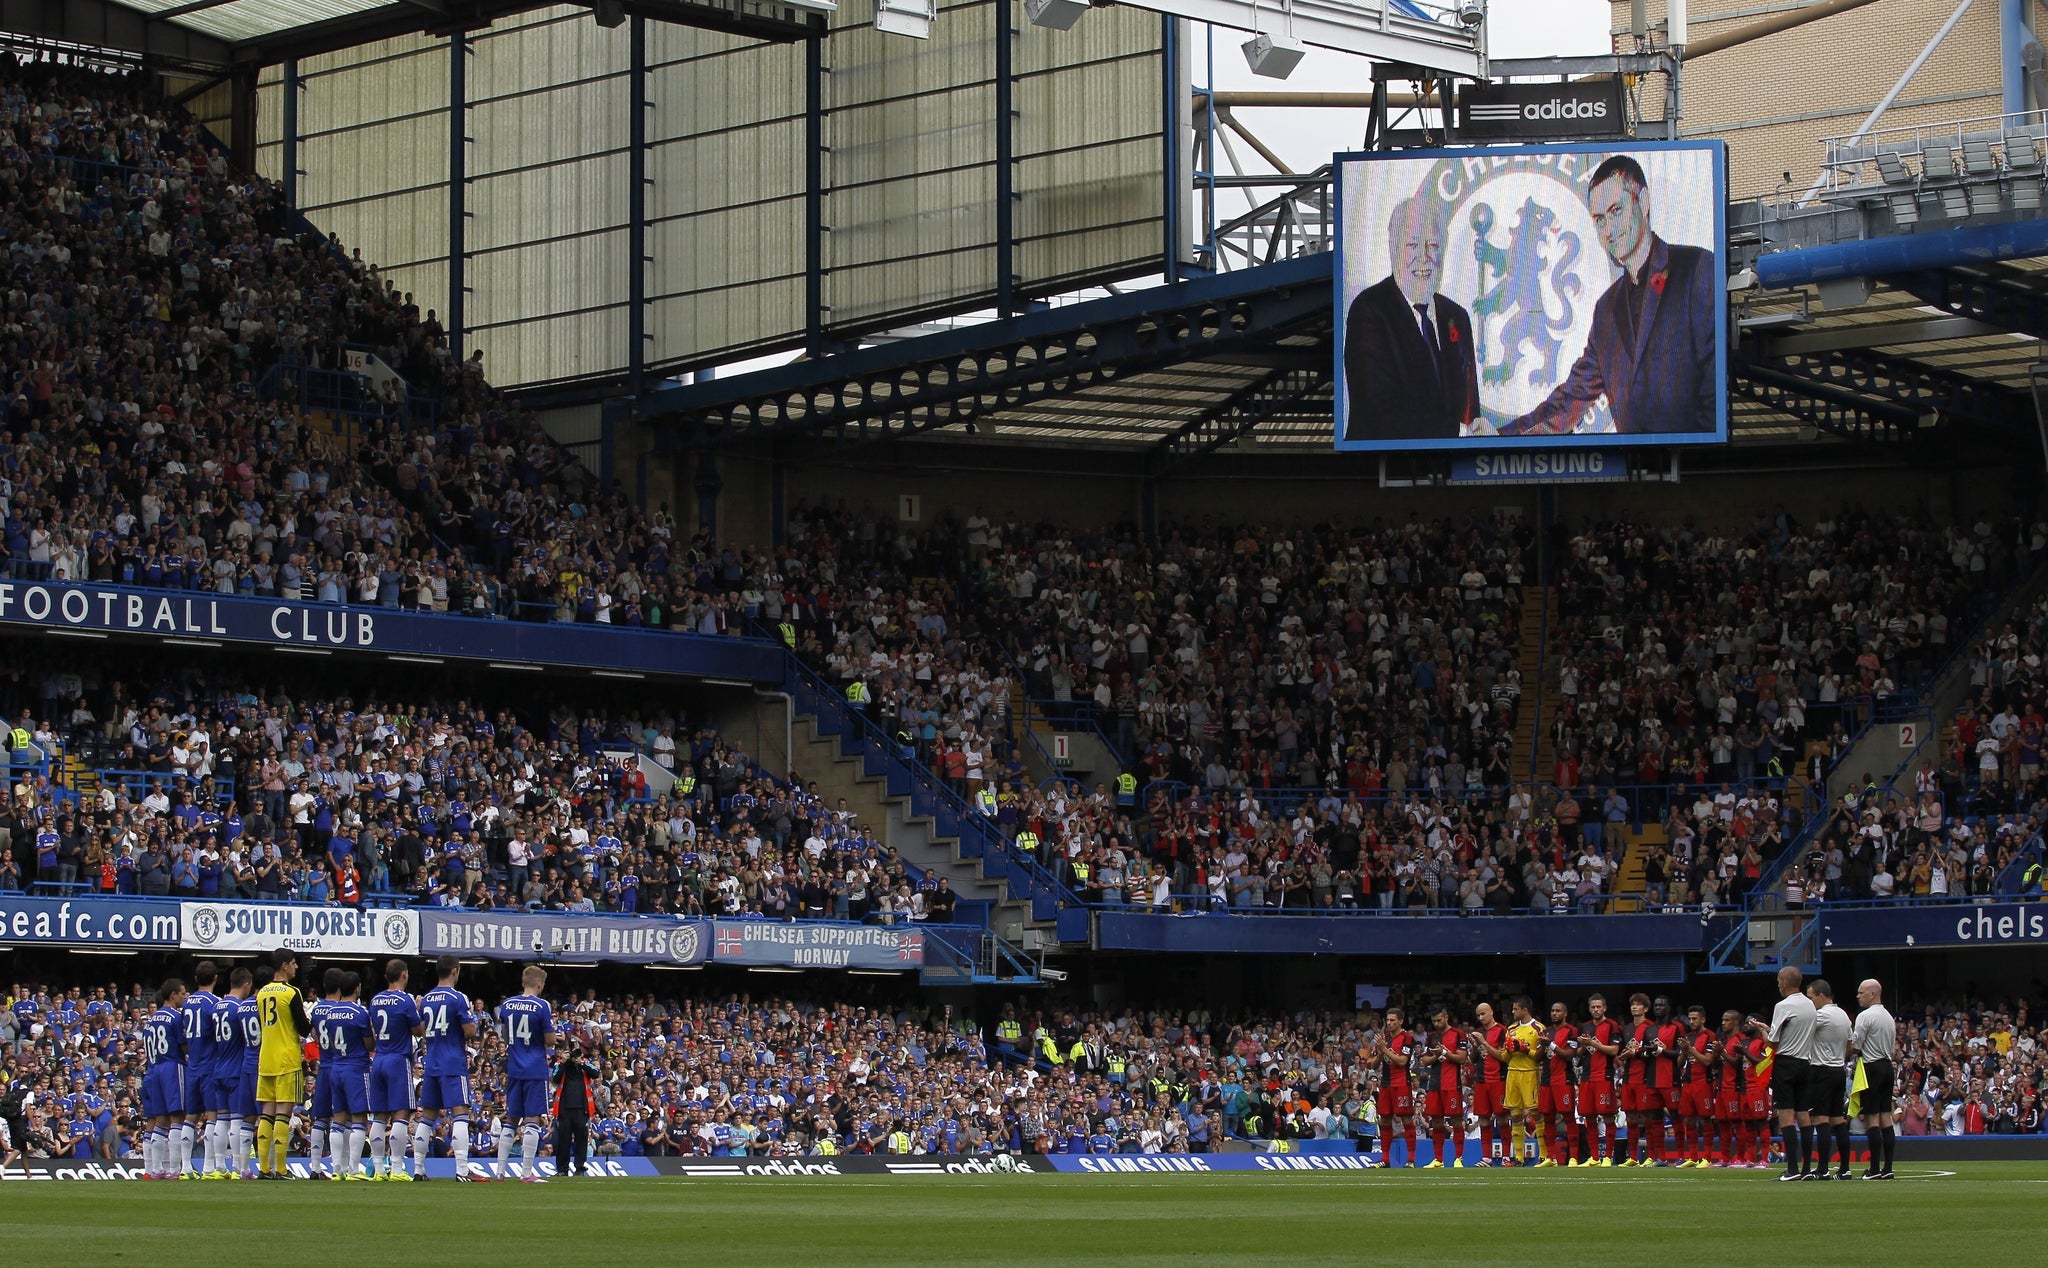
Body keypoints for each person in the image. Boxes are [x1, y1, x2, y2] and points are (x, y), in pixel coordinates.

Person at [1491, 154, 1717, 437]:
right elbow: (1569, 401)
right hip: (1634, 471)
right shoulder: (1606, 308)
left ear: (1643, 202)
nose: (1608, 229)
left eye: (1616, 211)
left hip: (1693, 467)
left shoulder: (1697, 269)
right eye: (1599, 219)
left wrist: (1698, 460)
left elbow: (1716, 384)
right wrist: (1498, 436)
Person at [1341, 194, 1481, 442]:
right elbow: (1380, 412)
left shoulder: (1456, 317)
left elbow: (1470, 409)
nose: (1424, 256)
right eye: (1412, 245)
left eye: (1433, 245)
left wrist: (1478, 433)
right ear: (1392, 248)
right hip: (1374, 472)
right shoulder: (1369, 310)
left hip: (1453, 470)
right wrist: (1460, 432)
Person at [420, 955, 488, 1182]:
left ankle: (419, 1170)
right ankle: (461, 1170)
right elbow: (469, 1032)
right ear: (455, 971)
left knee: (427, 1116)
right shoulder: (458, 997)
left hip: (432, 1062)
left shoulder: (428, 998)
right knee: (460, 1114)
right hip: (452, 1062)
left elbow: (421, 1029)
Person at [255, 949, 311, 1180]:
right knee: (283, 1114)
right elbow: (303, 1028)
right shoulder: (291, 992)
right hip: (286, 1059)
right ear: (285, 965)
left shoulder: (261, 993)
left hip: (266, 1058)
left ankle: (264, 1169)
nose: (296, 967)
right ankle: (280, 1168)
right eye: (294, 963)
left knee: (267, 1114)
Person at [312, 970, 374, 1181]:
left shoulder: (329, 1013)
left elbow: (321, 1038)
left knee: (337, 1119)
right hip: (355, 1068)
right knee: (358, 1119)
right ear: (357, 988)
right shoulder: (360, 1013)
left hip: (335, 1067)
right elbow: (369, 1044)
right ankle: (354, 1170)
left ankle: (337, 1169)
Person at [496, 965, 554, 1183]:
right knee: (532, 1119)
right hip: (534, 1067)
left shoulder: (508, 1004)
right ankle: (526, 1172)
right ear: (539, 984)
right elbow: (549, 1040)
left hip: (514, 1067)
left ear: (523, 982)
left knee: (511, 1118)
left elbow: (504, 1034)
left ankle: (500, 1172)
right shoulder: (541, 1005)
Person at [368, 958, 425, 1181]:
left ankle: (379, 1170)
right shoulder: (405, 1000)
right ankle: (398, 1169)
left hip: (379, 1058)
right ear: (404, 975)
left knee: (379, 1117)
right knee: (400, 1115)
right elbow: (418, 1030)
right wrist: (418, 1010)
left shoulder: (375, 999)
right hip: (398, 1059)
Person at [1765, 964, 1818, 1181]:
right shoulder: (1811, 1005)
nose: (1778, 984)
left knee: (1786, 1117)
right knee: (1804, 1116)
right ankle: (1806, 1169)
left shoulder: (1783, 1006)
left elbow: (1773, 1041)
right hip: (1805, 1063)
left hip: (1786, 1063)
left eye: (1779, 980)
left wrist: (1763, 1031)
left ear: (1785, 982)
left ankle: (1792, 1169)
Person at [140, 978, 188, 1180]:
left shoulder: (151, 1020)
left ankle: (153, 1169)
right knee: (177, 1117)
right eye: (182, 993)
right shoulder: (176, 1018)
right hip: (171, 1065)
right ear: (173, 995)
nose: (185, 997)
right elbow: (184, 1046)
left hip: (153, 1068)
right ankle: (175, 1169)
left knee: (158, 1120)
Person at [178, 961, 221, 1179]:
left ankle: (185, 1168)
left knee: (190, 1117)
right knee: (212, 1116)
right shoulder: (215, 1003)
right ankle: (208, 1168)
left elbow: (184, 1038)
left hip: (192, 1064)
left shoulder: (186, 1003)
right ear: (215, 978)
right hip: (210, 1064)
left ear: (196, 979)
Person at [1805, 979, 1852, 1180]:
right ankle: (1844, 1168)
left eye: (1811, 997)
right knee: (1838, 1120)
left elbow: (1801, 1032)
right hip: (1838, 1069)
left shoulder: (1821, 1015)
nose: (1810, 1002)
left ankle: (1822, 1169)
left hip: (1821, 1070)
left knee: (1821, 1120)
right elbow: (1849, 1045)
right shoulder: (1843, 1015)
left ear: (1821, 995)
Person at [1851, 978, 1897, 1180]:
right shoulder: (1888, 1016)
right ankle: (1887, 1168)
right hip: (1887, 1065)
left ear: (1872, 993)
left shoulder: (1865, 1016)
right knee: (1886, 1116)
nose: (1858, 996)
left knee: (1872, 1118)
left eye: (1861, 993)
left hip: (1871, 1066)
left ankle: (1874, 1169)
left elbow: (1856, 1045)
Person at [1577, 993, 1622, 1166]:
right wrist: (1583, 1046)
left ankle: (1608, 1157)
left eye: (1599, 1007)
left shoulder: (1612, 1025)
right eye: (1593, 1007)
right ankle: (1594, 1157)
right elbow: (1579, 1054)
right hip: (1587, 1076)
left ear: (1605, 1008)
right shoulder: (1585, 1026)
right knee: (1589, 1117)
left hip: (1604, 1075)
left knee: (1608, 1116)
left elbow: (1613, 1050)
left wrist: (1594, 1044)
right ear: (1589, 1009)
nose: (1596, 1010)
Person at [1420, 1005, 1468, 1168]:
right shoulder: (1431, 1036)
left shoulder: (1458, 1034)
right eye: (1433, 1021)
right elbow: (1424, 1061)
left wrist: (1445, 1053)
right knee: (1436, 1122)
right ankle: (1438, 1160)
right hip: (1434, 1084)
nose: (1436, 1024)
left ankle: (1458, 1158)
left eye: (1439, 1020)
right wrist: (1436, 1055)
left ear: (1446, 1017)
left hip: (1451, 1084)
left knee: (1456, 1120)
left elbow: (1461, 1058)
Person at [224, 967, 259, 1179]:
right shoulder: (243, 1007)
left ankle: (218, 1167)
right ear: (247, 984)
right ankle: (246, 1166)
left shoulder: (219, 1005)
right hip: (245, 1065)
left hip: (218, 1066)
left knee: (219, 1119)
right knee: (256, 1116)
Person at [1373, 1006, 1418, 1167]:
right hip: (1385, 1083)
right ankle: (1385, 1160)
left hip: (1401, 1083)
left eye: (1393, 1020)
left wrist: (1384, 1049)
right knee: (1384, 1120)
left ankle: (1411, 1159)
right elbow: (1373, 1066)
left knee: (1406, 1118)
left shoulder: (1407, 1038)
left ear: (1400, 1021)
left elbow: (1402, 1061)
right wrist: (1380, 1052)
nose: (1389, 1023)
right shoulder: (1384, 1038)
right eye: (1387, 1020)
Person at [1535, 1001, 1578, 1167]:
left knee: (1568, 1116)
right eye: (1552, 1011)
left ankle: (1573, 1157)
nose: (1554, 1013)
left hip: (1564, 1080)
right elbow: (1537, 1058)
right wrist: (1540, 1046)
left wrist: (1551, 1044)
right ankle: (1550, 1157)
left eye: (1558, 1011)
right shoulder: (1546, 1031)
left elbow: (1569, 1055)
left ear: (1565, 1013)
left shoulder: (1571, 1031)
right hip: (1546, 1080)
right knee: (1548, 1118)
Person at [552, 1031, 600, 1176]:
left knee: (581, 1140)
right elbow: (555, 1077)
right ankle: (562, 1169)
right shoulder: (559, 1064)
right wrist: (564, 1062)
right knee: (563, 1141)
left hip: (582, 1109)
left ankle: (580, 1167)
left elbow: (596, 1072)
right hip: (564, 1109)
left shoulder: (584, 1064)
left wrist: (582, 1063)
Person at [1503, 996, 1543, 1166]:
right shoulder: (1511, 1029)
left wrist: (1525, 1049)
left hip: (1530, 1074)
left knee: (1536, 1113)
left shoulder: (1538, 1028)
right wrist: (1510, 1050)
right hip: (1512, 1073)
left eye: (1515, 1009)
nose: (1513, 1012)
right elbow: (1505, 1057)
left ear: (1524, 1010)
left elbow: (1540, 1057)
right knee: (1515, 1115)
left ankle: (1544, 1155)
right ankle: (1519, 1157)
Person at [1676, 1004, 1717, 1167]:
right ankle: (1692, 1157)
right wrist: (1685, 1052)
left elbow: (1708, 1061)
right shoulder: (1689, 1037)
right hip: (1688, 1083)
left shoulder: (1710, 1036)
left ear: (1703, 1019)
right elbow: (1679, 1063)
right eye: (1690, 1018)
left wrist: (1690, 1050)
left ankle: (1706, 1157)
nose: (1691, 1022)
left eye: (1695, 1019)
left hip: (1703, 1083)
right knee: (1689, 1119)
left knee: (1706, 1119)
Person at [1469, 1001, 1509, 1165]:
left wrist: (1484, 1042)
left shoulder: (1502, 1031)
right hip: (1481, 1081)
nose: (1481, 1017)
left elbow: (1502, 1056)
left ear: (1491, 1012)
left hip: (1498, 1080)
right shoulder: (1478, 1033)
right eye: (1478, 1015)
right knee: (1483, 1119)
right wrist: (1474, 1047)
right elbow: (1473, 1060)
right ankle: (1486, 1157)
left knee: (1503, 1117)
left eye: (1483, 1013)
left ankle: (1506, 1156)